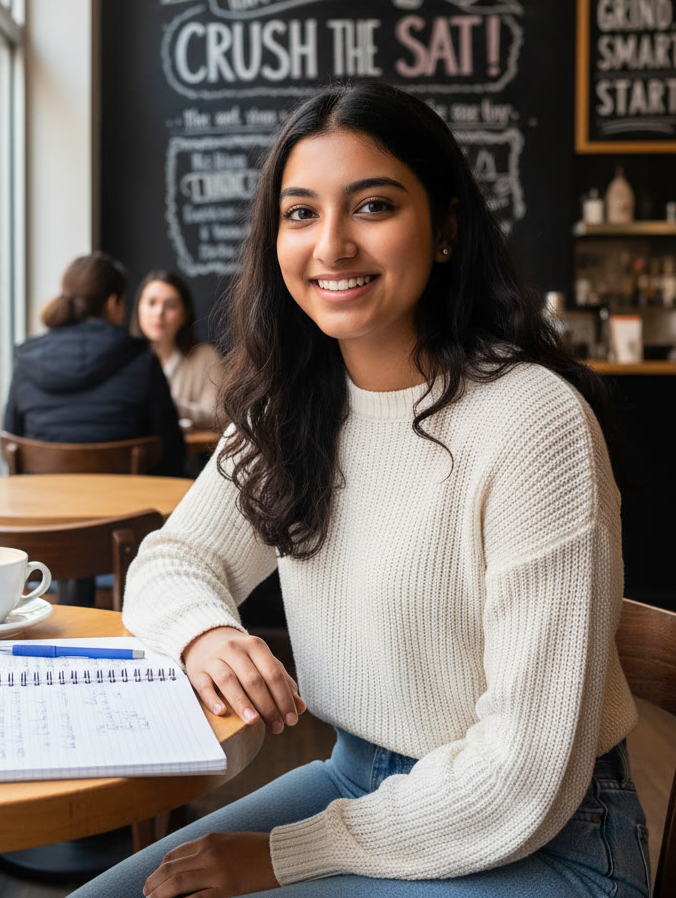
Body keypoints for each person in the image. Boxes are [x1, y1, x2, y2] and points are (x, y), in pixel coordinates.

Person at [71, 81, 647, 898]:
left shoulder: (534, 422)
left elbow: (523, 774)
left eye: (372, 206)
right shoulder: (292, 408)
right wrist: (201, 633)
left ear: (445, 229)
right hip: (358, 780)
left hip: (543, 836)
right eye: (300, 213)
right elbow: (172, 560)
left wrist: (281, 856)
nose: (331, 246)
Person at [2, 251, 185, 477]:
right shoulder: (143, 361)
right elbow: (172, 454)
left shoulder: (26, 360)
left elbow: (11, 443)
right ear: (112, 303)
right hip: (127, 509)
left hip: (42, 508)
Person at [131, 269, 224, 430]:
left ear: (184, 314)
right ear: (138, 308)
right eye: (151, 303)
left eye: (171, 306)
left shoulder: (206, 357)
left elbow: (219, 415)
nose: (159, 313)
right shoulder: (125, 356)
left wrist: (167, 404)